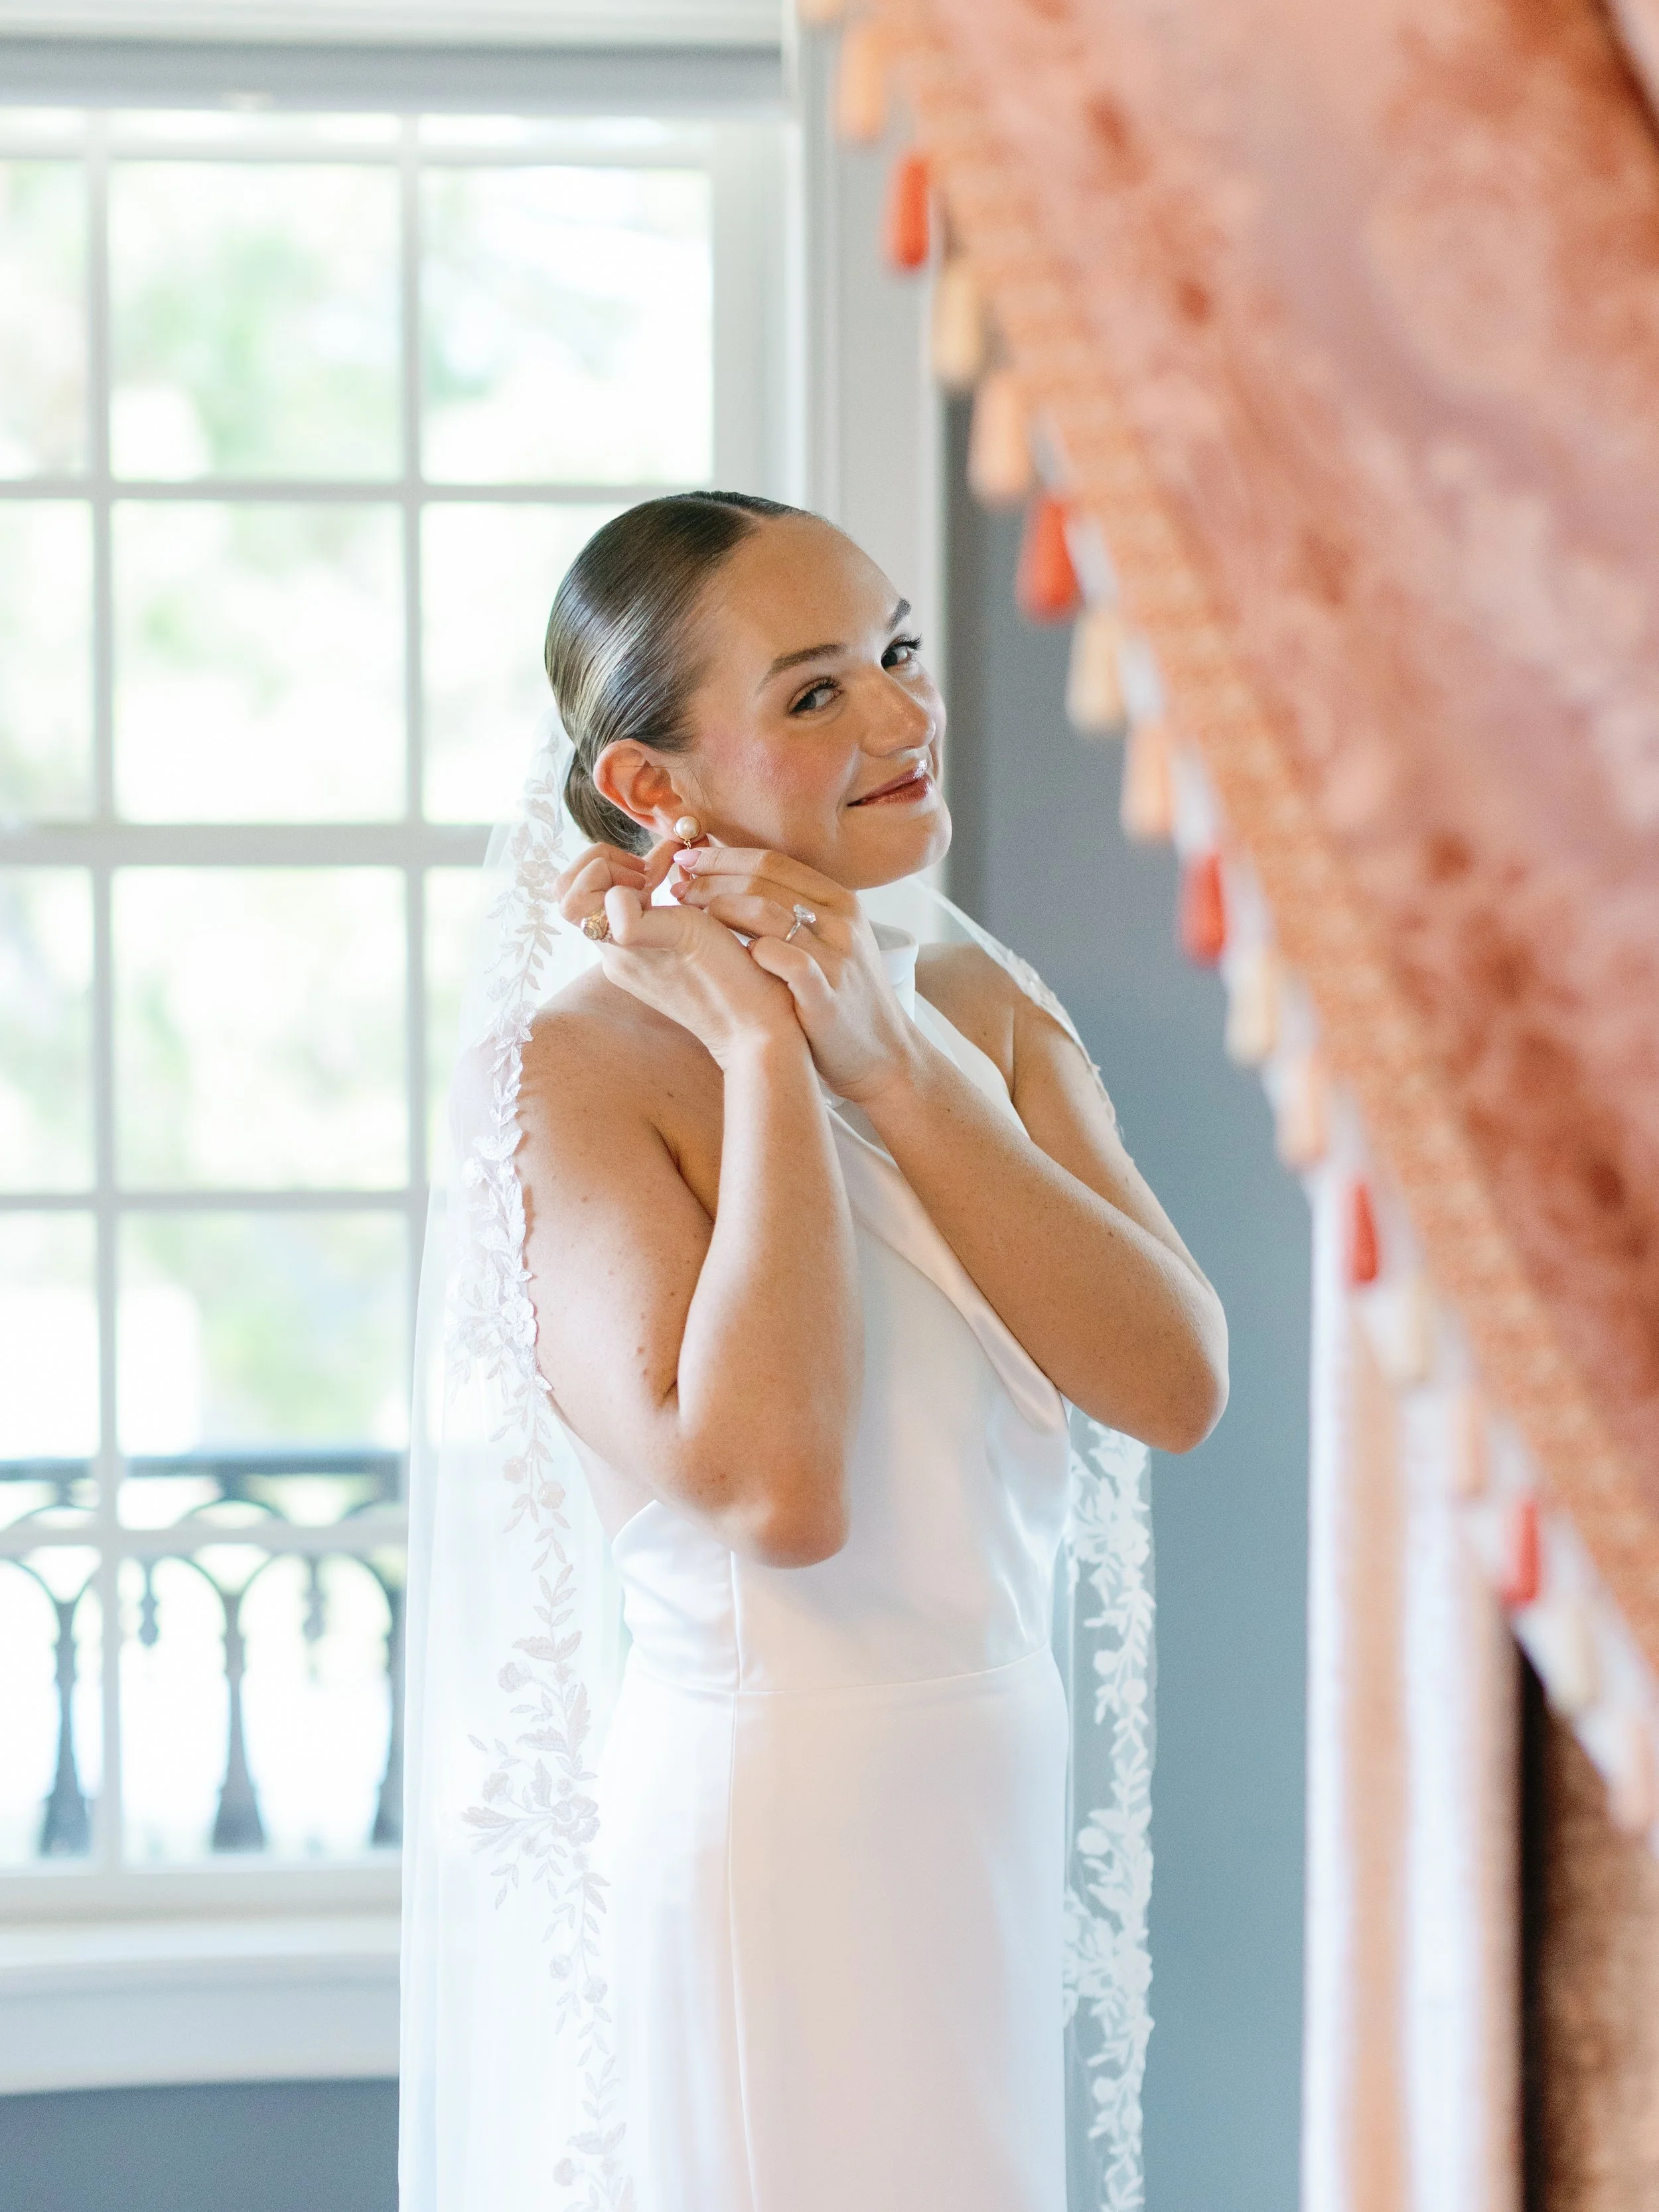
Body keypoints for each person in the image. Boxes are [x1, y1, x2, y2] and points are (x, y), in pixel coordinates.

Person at [400, 491, 1228, 2212]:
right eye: (811, 692)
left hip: (981, 1781)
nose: (905, 718)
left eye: (897, 656)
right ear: (654, 785)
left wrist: (889, 1059)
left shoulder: (981, 1010)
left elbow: (1169, 1383)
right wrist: (767, 1061)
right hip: (784, 1817)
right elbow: (774, 1495)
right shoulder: (567, 1076)